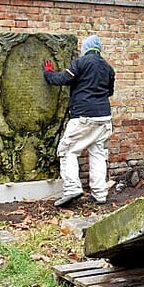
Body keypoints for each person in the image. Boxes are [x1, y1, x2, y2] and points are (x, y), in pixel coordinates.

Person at [43, 34, 116, 206]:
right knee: (97, 153)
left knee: (67, 150)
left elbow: (63, 79)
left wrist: (48, 73)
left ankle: (72, 188)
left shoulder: (81, 62)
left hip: (84, 116)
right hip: (104, 117)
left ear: (85, 48)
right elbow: (109, 92)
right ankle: (99, 194)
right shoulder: (108, 68)